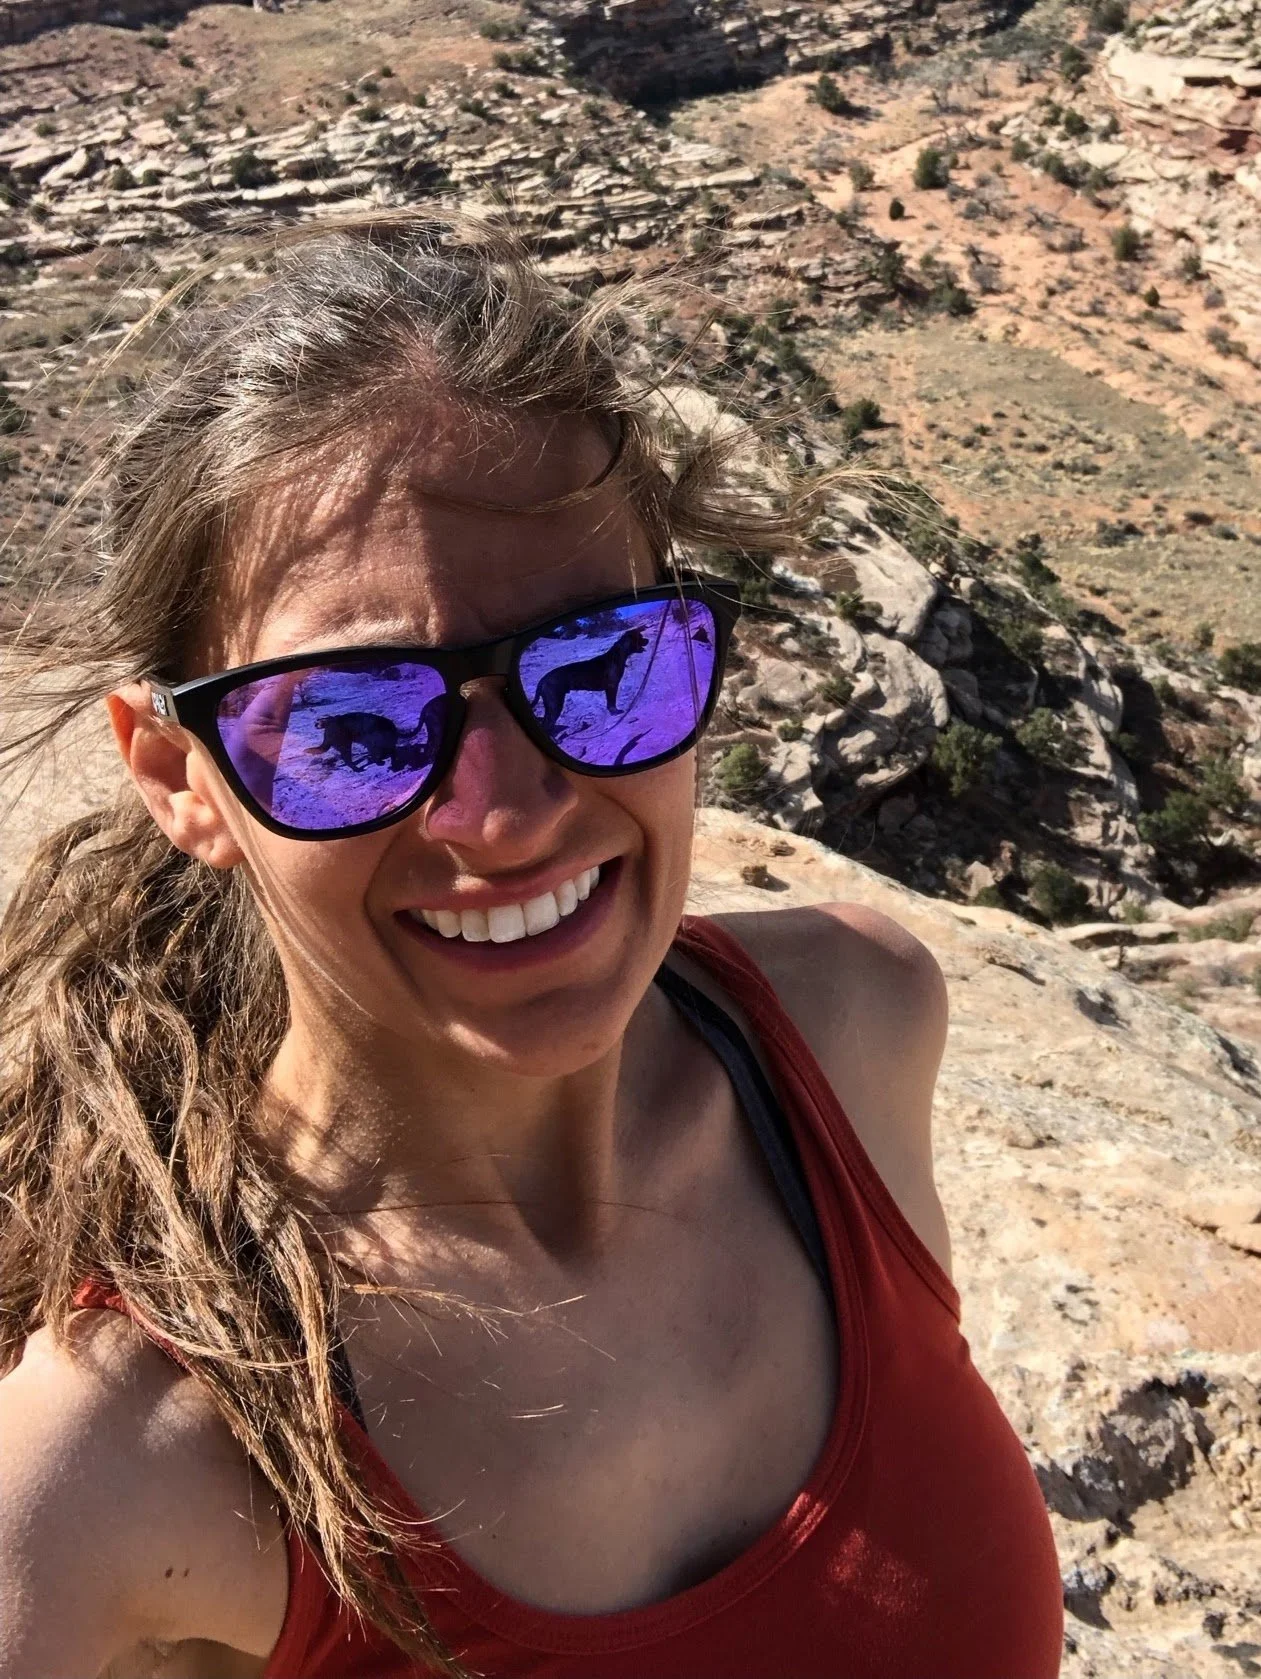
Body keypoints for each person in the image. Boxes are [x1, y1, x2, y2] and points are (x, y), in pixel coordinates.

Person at [0, 214, 1064, 1679]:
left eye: (603, 666)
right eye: (355, 725)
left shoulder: (855, 1029)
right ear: (182, 780)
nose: (503, 814)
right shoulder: (125, 1459)